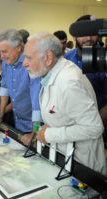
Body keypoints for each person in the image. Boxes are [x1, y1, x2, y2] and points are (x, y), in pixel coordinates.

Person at [23, 32, 107, 175]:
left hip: (83, 167)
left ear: (48, 58)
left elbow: (94, 128)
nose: (24, 63)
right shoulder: (51, 74)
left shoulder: (69, 82)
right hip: (65, 158)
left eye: (29, 58)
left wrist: (49, 134)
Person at [0, 29, 42, 145]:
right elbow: (4, 88)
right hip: (18, 123)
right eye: (0, 52)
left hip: (35, 127)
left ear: (18, 47)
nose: (1, 57)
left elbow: (37, 102)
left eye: (4, 52)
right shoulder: (6, 62)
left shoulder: (31, 64)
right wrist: (0, 114)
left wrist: (35, 131)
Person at [65, 15, 107, 146]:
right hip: (70, 125)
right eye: (83, 34)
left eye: (93, 34)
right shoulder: (67, 58)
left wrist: (95, 122)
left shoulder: (104, 58)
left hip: (98, 124)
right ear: (74, 36)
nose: (89, 38)